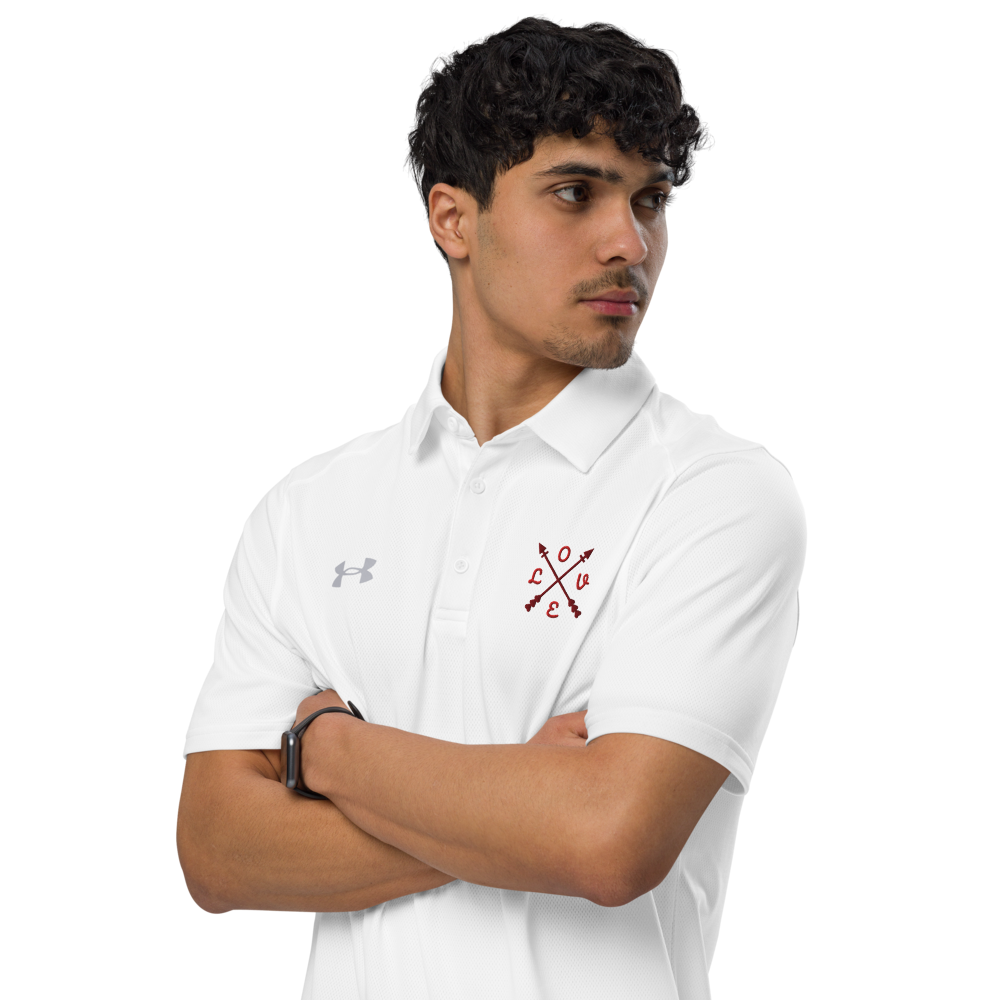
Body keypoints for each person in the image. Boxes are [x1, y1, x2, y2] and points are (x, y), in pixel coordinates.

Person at [176, 15, 807, 1000]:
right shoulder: (310, 507)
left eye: (651, 199)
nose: (629, 242)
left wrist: (328, 750)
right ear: (453, 220)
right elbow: (217, 853)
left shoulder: (714, 491)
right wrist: (524, 801)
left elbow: (607, 840)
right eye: (575, 192)